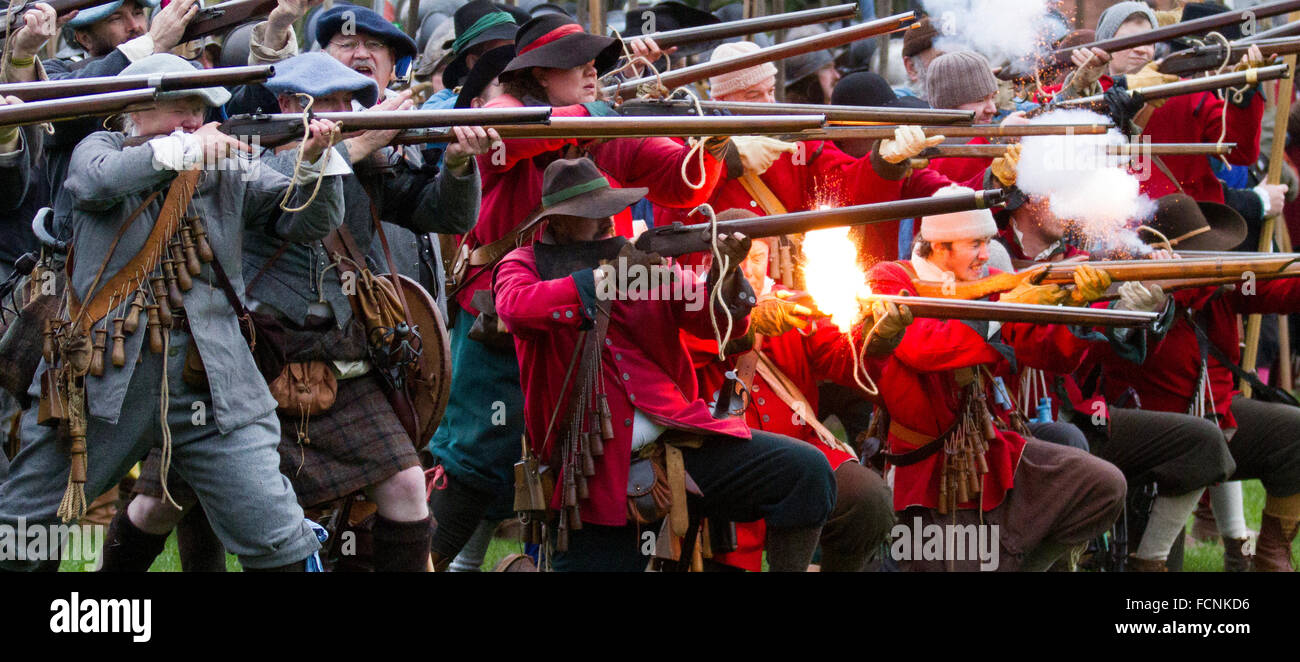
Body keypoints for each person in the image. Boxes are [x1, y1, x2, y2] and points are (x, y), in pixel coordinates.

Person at [116, 51, 496, 572]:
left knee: (407, 485)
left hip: (339, 354)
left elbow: (443, 213)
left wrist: (456, 165)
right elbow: (285, 199)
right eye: (336, 102)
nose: (350, 111)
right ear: (294, 105)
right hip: (246, 361)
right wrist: (349, 149)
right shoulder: (245, 160)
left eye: (353, 101)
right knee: (162, 503)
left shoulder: (367, 166)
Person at [0, 53, 347, 572]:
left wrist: (320, 159)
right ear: (134, 109)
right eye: (180, 106)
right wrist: (184, 148)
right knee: (23, 531)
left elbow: (303, 219)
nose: (194, 118)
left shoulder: (224, 166)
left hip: (213, 379)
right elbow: (96, 183)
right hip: (102, 380)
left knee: (275, 533)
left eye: (200, 109)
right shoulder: (102, 148)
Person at [427, 12, 734, 570]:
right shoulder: (512, 114)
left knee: (570, 466)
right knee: (472, 463)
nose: (594, 69)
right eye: (579, 62)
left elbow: (683, 184)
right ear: (540, 74)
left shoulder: (604, 132)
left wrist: (707, 142)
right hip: (501, 323)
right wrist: (596, 113)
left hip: (584, 328)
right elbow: (503, 133)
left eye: (597, 61)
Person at [493, 157, 835, 571]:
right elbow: (515, 309)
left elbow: (712, 321)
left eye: (608, 208)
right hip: (591, 472)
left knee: (807, 473)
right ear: (559, 222)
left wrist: (724, 273)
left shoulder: (640, 258)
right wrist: (607, 280)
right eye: (592, 213)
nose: (607, 220)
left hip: (680, 439)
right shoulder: (523, 264)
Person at [864, 185, 1128, 571]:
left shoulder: (990, 285)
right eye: (975, 243)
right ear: (939, 246)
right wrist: (1006, 309)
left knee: (1102, 486)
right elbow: (922, 348)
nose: (986, 255)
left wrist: (1077, 307)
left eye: (987, 242)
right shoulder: (889, 278)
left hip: (990, 450)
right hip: (926, 471)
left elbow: (1047, 352)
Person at [1092, 194, 1300, 571]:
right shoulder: (1134, 290)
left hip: (1215, 418)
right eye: (1203, 251)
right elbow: (1133, 340)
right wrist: (1173, 281)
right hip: (1154, 435)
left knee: (1293, 432)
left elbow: (1272, 290)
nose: (1214, 256)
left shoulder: (1223, 285)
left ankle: (1269, 558)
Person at [683, 220, 901, 572]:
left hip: (802, 447)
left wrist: (878, 339)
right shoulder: (690, 303)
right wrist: (747, 324)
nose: (747, 269)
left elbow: (840, 357)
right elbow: (684, 348)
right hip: (724, 454)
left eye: (756, 257)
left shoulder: (787, 300)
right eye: (736, 258)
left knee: (869, 501)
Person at [1055, 1, 1266, 204]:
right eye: (1128, 41)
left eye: (1148, 42)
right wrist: (1122, 86)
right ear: (1105, 47)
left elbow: (1241, 153)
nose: (1141, 49)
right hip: (1102, 219)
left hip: (1180, 226)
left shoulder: (1186, 93)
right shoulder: (1081, 92)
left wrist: (1244, 94)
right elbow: (1049, 120)